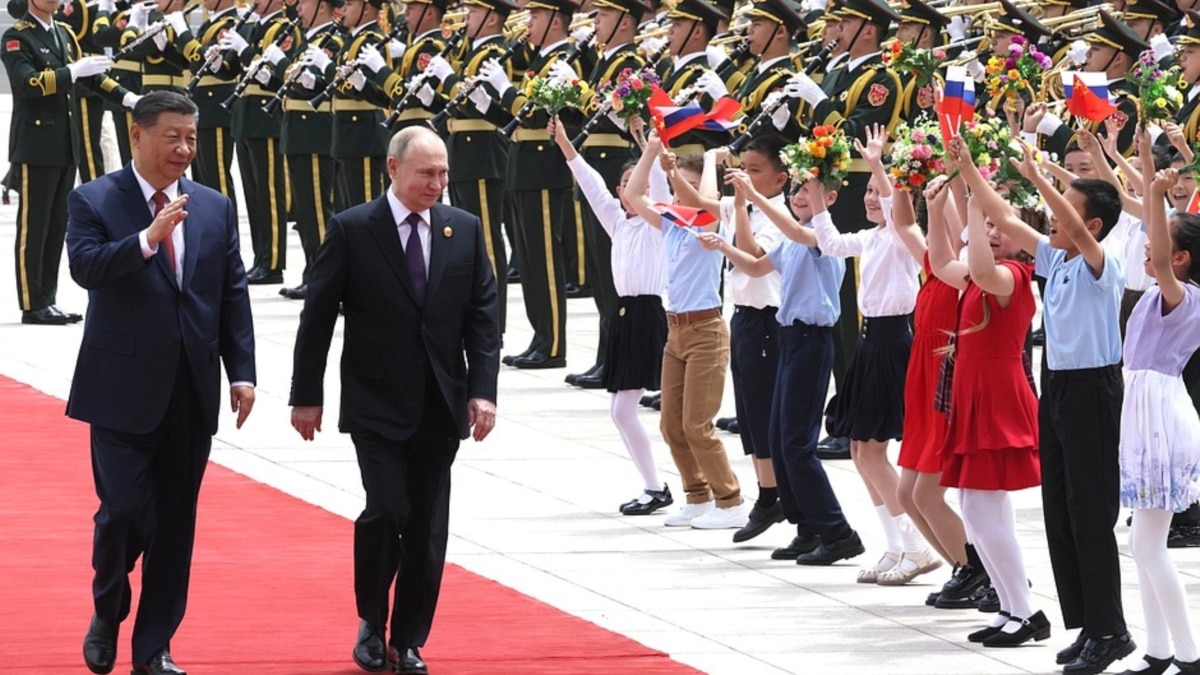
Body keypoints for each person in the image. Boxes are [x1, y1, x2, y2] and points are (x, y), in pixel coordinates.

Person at [289, 126, 501, 675]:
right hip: (376, 401)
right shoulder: (354, 229)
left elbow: (483, 320)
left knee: (428, 527)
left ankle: (408, 639)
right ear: (393, 168)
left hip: (440, 402)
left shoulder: (465, 229)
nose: (437, 183)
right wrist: (305, 396)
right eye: (425, 173)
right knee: (387, 509)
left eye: (443, 173)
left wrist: (483, 392)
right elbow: (317, 319)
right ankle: (370, 620)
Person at [65, 91, 257, 675]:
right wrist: (148, 239)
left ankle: (154, 649)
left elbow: (231, 293)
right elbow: (85, 267)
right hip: (120, 386)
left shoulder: (215, 206)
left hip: (190, 389)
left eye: (192, 138)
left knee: (175, 524)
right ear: (137, 135)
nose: (184, 149)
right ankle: (108, 605)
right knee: (122, 511)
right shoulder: (94, 198)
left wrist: (242, 371)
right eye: (172, 136)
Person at [988, 142, 1134, 675]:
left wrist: (1041, 176)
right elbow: (1004, 217)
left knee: (1092, 515)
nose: (1052, 215)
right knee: (1062, 512)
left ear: (1091, 226)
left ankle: (1111, 630)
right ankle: (1089, 625)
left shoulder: (1102, 263)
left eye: (1065, 208)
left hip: (1094, 391)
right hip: (1059, 385)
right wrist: (966, 168)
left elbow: (1068, 221)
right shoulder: (1058, 259)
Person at [812, 124, 936, 585]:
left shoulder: (906, 237)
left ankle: (916, 545)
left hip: (892, 341)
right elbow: (829, 244)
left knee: (876, 448)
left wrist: (880, 164)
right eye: (865, 191)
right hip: (868, 341)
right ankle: (895, 543)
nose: (870, 198)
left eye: (876, 193)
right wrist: (811, 186)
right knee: (860, 449)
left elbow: (892, 205)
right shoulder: (871, 238)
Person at [937, 140, 1048, 647]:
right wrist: (940, 205)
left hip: (998, 394)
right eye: (989, 229)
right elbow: (944, 265)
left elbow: (980, 269)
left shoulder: (1016, 277)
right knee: (978, 507)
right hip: (974, 390)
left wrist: (978, 203)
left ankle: (1026, 611)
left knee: (981, 507)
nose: (992, 234)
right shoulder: (984, 278)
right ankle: (1010, 607)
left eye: (1002, 227)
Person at [554, 116, 674, 515]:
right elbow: (591, 186)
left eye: (631, 183)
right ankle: (654, 486)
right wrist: (567, 147)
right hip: (623, 318)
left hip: (649, 314)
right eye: (622, 185)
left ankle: (662, 486)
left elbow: (657, 188)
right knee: (621, 411)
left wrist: (650, 148)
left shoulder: (660, 225)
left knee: (638, 410)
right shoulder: (619, 224)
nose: (626, 190)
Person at [1, 0, 140, 324]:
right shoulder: (17, 37)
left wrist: (127, 98)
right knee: (33, 229)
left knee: (55, 226)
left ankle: (48, 298)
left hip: (65, 144)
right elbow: (27, 84)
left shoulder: (63, 33)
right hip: (35, 146)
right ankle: (31, 302)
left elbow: (90, 78)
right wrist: (70, 72)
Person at [1117, 138, 1200, 675]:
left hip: (1161, 421)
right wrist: (1149, 174)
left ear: (1181, 258)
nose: (1145, 249)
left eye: (1156, 244)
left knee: (1148, 544)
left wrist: (1152, 193)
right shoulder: (1154, 291)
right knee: (1142, 542)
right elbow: (1151, 227)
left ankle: (1188, 655)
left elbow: (1152, 231)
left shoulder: (1181, 294)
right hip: (1144, 415)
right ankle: (1160, 651)